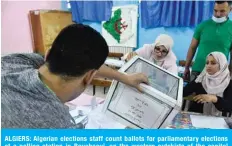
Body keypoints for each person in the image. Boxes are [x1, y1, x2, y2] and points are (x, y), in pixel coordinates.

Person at [1, 24, 148, 128]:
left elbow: (84, 63)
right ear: (89, 77)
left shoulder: (11, 63)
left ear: (48, 54)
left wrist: (125, 78)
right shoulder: (61, 127)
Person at [184, 1, 232, 81]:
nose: (218, 14)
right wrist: (186, 67)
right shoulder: (203, 25)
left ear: (230, 9)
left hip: (219, 75)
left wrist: (230, 73)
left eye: (222, 11)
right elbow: (192, 48)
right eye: (215, 10)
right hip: (198, 71)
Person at [183, 52, 232, 117]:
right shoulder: (200, 79)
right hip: (196, 118)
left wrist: (214, 98)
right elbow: (183, 92)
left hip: (219, 121)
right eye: (207, 63)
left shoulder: (228, 83)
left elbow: (229, 106)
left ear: (222, 65)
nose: (209, 65)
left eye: (213, 63)